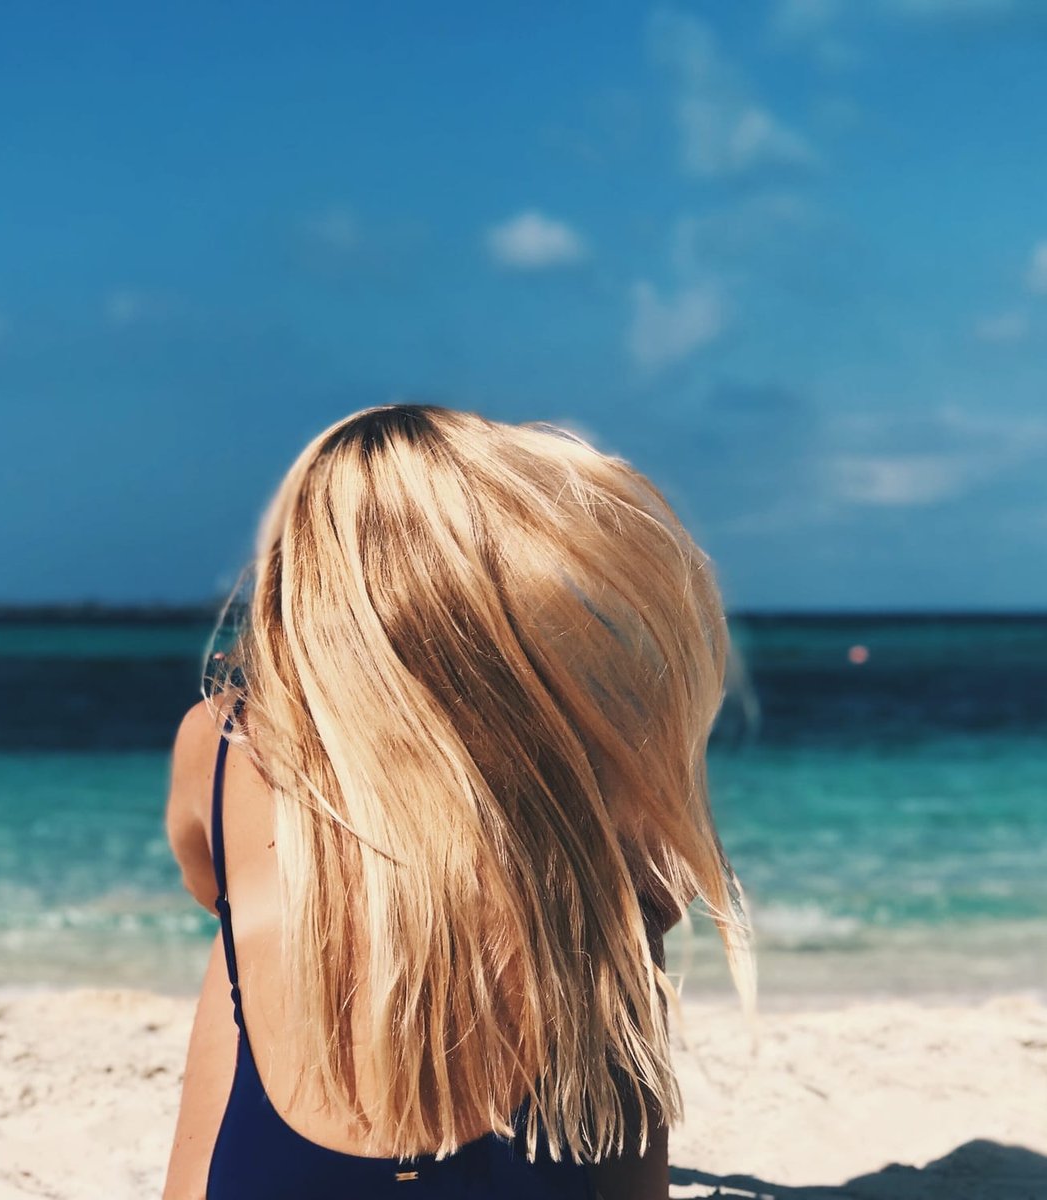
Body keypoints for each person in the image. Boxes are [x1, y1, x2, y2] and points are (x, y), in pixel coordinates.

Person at [161, 404, 754, 1199]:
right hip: (550, 1160)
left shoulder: (220, 739)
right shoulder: (589, 759)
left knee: (250, 910)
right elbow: (665, 896)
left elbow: (207, 885)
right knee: (618, 904)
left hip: (281, 1172)